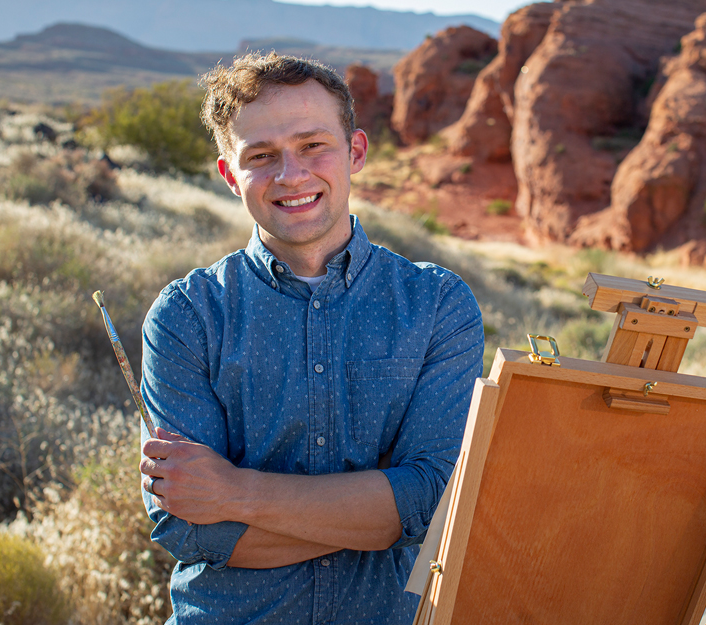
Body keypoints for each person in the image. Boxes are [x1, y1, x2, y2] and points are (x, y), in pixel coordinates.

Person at [137, 52, 484, 624]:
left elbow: (431, 503)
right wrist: (376, 516)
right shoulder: (186, 317)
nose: (290, 175)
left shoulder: (438, 305)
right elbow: (190, 528)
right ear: (230, 175)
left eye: (313, 145)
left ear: (356, 152)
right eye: (262, 156)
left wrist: (233, 492)